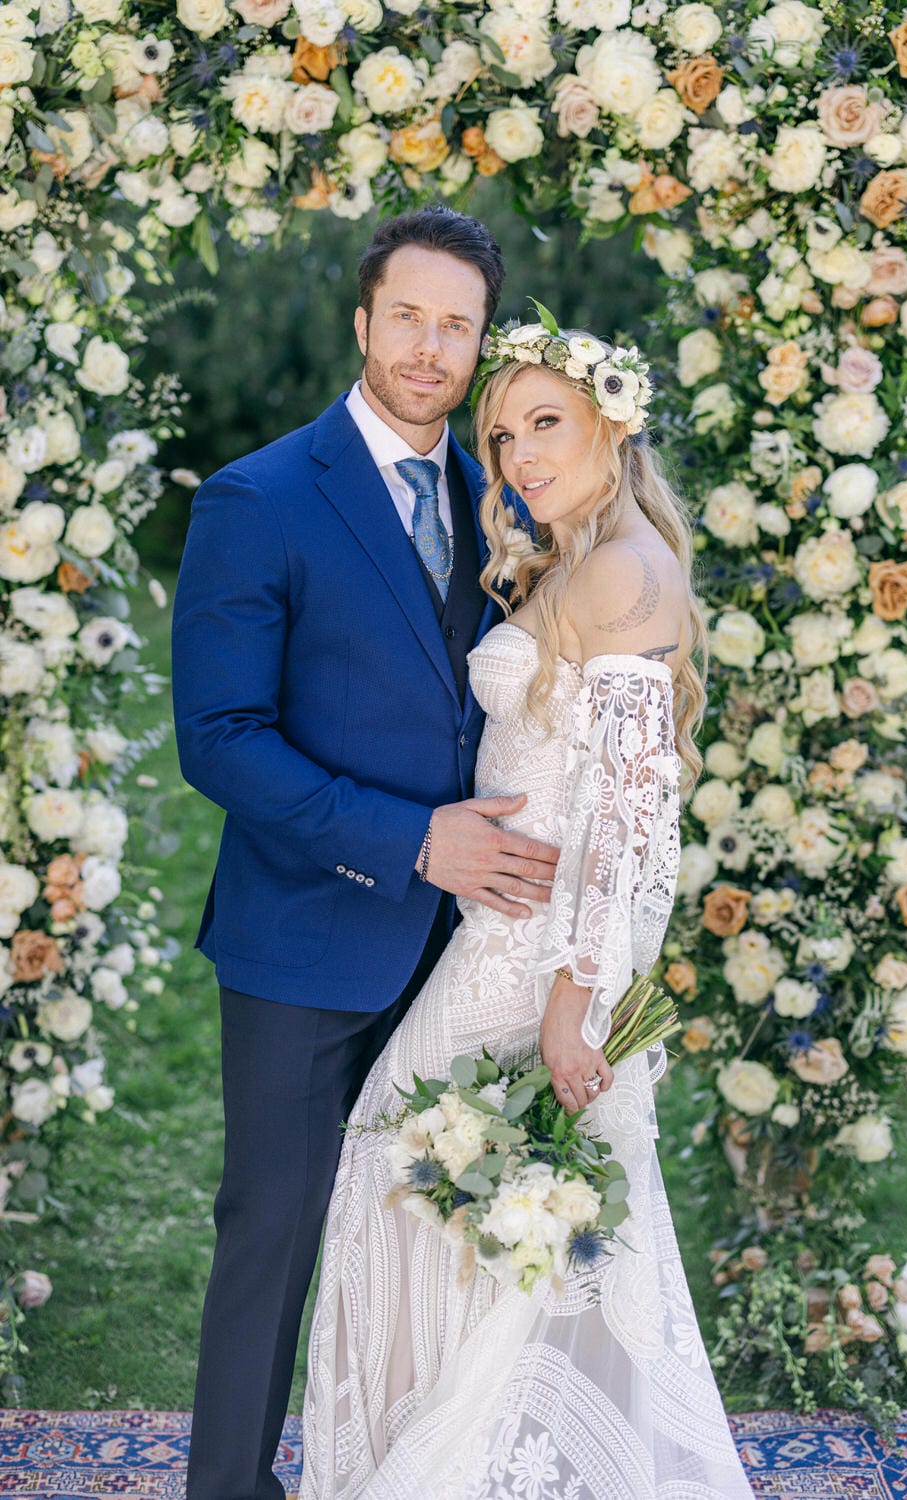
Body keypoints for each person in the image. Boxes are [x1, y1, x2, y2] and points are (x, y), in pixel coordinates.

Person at [299, 316, 754, 1498]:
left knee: (452, 1213)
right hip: (497, 940)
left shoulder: (622, 570)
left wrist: (575, 1007)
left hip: (544, 964)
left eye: (543, 423)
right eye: (500, 437)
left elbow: (633, 832)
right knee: (465, 1226)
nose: (515, 459)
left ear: (614, 421)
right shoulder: (576, 555)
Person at [171, 209, 562, 1500]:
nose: (430, 346)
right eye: (409, 315)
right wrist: (411, 843)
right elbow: (221, 741)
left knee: (438, 1237)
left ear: (480, 342)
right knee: (273, 1236)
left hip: (467, 954)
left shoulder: (502, 497)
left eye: (457, 324)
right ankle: (227, 1487)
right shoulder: (260, 496)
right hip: (306, 940)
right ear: (363, 321)